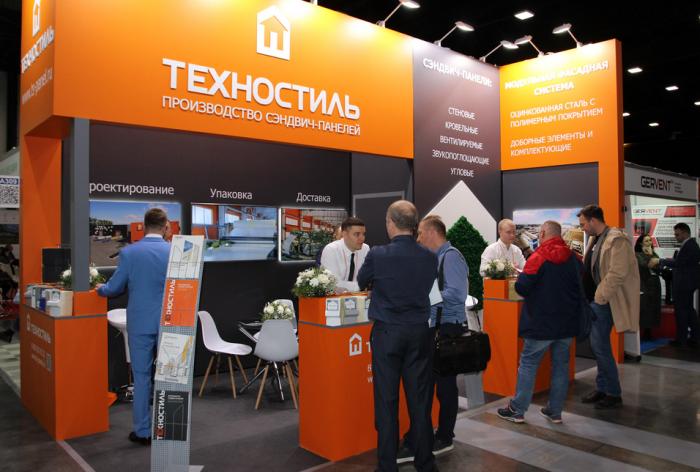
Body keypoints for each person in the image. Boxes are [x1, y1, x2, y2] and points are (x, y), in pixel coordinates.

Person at [358, 201, 438, 472]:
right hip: (419, 333)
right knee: (420, 402)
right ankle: (425, 463)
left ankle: (387, 466)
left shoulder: (378, 254)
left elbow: (361, 281)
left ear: (391, 223)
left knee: (386, 401)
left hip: (388, 333)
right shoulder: (429, 256)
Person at [397, 215, 468, 464]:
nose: (418, 239)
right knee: (430, 386)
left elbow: (457, 294)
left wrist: (423, 295)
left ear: (431, 232)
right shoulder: (435, 258)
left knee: (445, 388)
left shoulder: (451, 257)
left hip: (447, 329)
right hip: (434, 327)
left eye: (420, 233)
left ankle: (444, 437)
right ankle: (424, 437)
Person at [97, 208, 171, 445]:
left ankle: (143, 432)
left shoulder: (130, 252)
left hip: (140, 322)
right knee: (170, 377)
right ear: (165, 226)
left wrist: (100, 289)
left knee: (141, 377)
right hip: (171, 321)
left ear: (144, 225)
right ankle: (169, 428)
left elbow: (114, 288)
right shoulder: (175, 251)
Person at [497, 221, 582, 424]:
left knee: (528, 364)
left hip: (541, 322)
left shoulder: (539, 256)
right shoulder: (573, 258)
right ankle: (555, 411)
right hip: (567, 323)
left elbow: (522, 287)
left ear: (542, 233)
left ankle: (517, 410)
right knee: (560, 366)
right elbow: (582, 283)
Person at [578, 205, 639, 409]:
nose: (582, 228)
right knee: (599, 347)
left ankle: (613, 392)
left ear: (593, 220)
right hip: (595, 303)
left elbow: (617, 273)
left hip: (604, 303)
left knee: (600, 348)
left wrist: (599, 296)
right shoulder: (596, 239)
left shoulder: (616, 240)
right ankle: (602, 388)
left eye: (583, 224)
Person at [659, 223, 700, 346]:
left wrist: (661, 261)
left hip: (684, 284)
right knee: (689, 311)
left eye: (677, 234)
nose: (675, 236)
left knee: (682, 312)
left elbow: (680, 263)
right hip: (686, 284)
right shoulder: (690, 245)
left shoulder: (690, 245)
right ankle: (694, 337)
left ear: (685, 233)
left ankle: (682, 340)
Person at [320, 217, 369, 293]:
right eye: (357, 234)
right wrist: (361, 285)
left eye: (363, 234)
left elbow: (368, 278)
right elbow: (333, 283)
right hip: (333, 298)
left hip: (358, 296)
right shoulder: (331, 249)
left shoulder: (365, 248)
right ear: (344, 234)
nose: (362, 238)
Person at [634, 234, 662, 339]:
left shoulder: (654, 254)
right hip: (644, 283)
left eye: (650, 240)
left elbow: (659, 267)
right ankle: (640, 332)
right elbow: (645, 265)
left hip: (655, 283)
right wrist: (650, 256)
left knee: (653, 307)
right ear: (641, 243)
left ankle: (649, 331)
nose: (649, 243)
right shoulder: (637, 254)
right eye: (646, 241)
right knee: (644, 307)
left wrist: (651, 255)